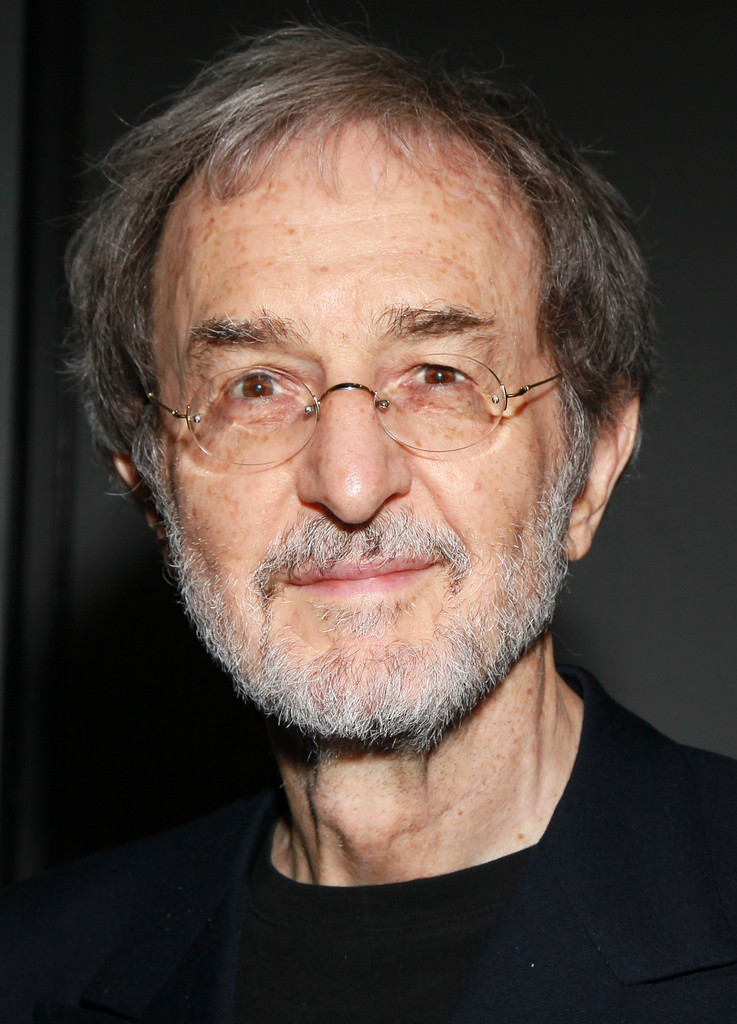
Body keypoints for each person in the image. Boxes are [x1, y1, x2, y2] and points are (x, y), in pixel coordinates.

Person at [2, 24, 737, 1023]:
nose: (349, 482)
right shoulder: (28, 971)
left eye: (437, 375)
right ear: (152, 494)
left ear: (592, 465)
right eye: (255, 387)